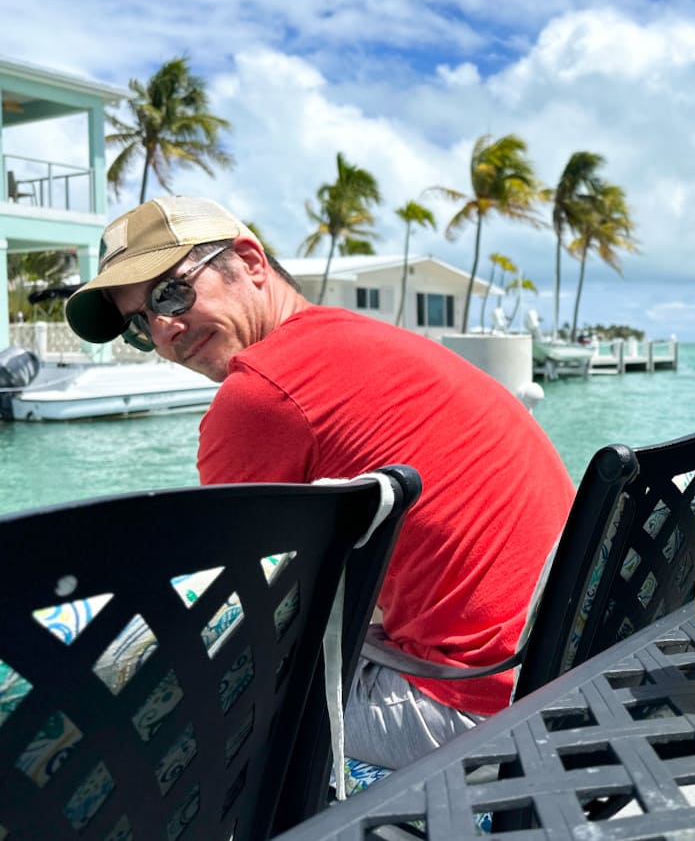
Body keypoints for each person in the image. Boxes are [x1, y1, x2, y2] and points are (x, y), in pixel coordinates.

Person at [66, 196, 576, 770]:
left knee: (168, 697)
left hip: (473, 707)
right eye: (139, 325)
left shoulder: (259, 395)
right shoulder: (360, 338)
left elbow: (218, 611)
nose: (164, 330)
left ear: (251, 263)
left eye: (171, 292)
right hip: (562, 662)